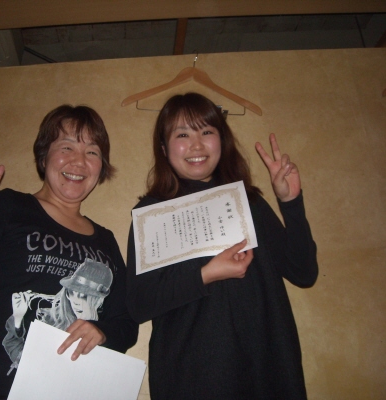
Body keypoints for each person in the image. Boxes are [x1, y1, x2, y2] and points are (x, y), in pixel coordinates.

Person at [0, 105, 138, 399]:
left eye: (92, 152)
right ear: (44, 156)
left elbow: (127, 324)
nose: (79, 161)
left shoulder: (105, 241)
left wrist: (103, 333)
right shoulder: (8, 208)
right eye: (67, 147)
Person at [126, 92, 318, 400]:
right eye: (182, 134)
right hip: (191, 378)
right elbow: (139, 304)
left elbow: (304, 273)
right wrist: (205, 275)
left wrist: (290, 202)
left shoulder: (248, 202)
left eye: (206, 131)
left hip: (268, 370)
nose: (197, 145)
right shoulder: (152, 214)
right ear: (164, 148)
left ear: (222, 140)